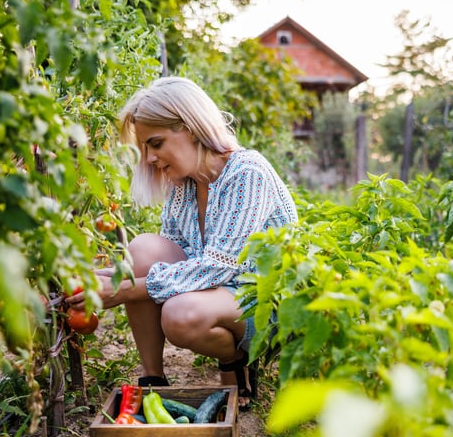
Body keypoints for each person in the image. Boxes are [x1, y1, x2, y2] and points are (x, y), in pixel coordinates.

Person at [66, 76, 298, 409]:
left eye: (155, 143)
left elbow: (219, 267)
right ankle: (153, 379)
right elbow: (171, 254)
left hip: (262, 299)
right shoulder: (184, 183)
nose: (148, 158)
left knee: (180, 314)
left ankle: (235, 361)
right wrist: (102, 277)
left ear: (190, 128)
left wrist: (124, 290)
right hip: (216, 293)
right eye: (145, 147)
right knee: (143, 249)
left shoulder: (248, 173)